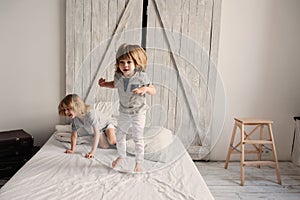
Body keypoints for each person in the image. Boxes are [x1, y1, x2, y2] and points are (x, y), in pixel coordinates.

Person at [98, 43, 156, 172]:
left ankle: (138, 163)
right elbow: (115, 84)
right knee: (119, 134)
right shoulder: (118, 76)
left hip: (138, 112)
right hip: (124, 111)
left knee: (137, 137)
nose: (125, 65)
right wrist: (104, 84)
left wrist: (145, 89)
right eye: (122, 62)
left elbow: (153, 90)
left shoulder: (141, 76)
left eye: (129, 62)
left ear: (136, 63)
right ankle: (121, 156)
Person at [58, 94, 116, 158]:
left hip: (106, 124)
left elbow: (96, 133)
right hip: (99, 130)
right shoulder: (75, 119)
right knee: (104, 146)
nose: (66, 112)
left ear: (76, 106)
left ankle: (121, 141)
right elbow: (74, 135)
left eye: (68, 109)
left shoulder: (90, 113)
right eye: (65, 109)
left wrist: (92, 152)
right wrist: (72, 149)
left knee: (112, 141)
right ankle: (105, 133)